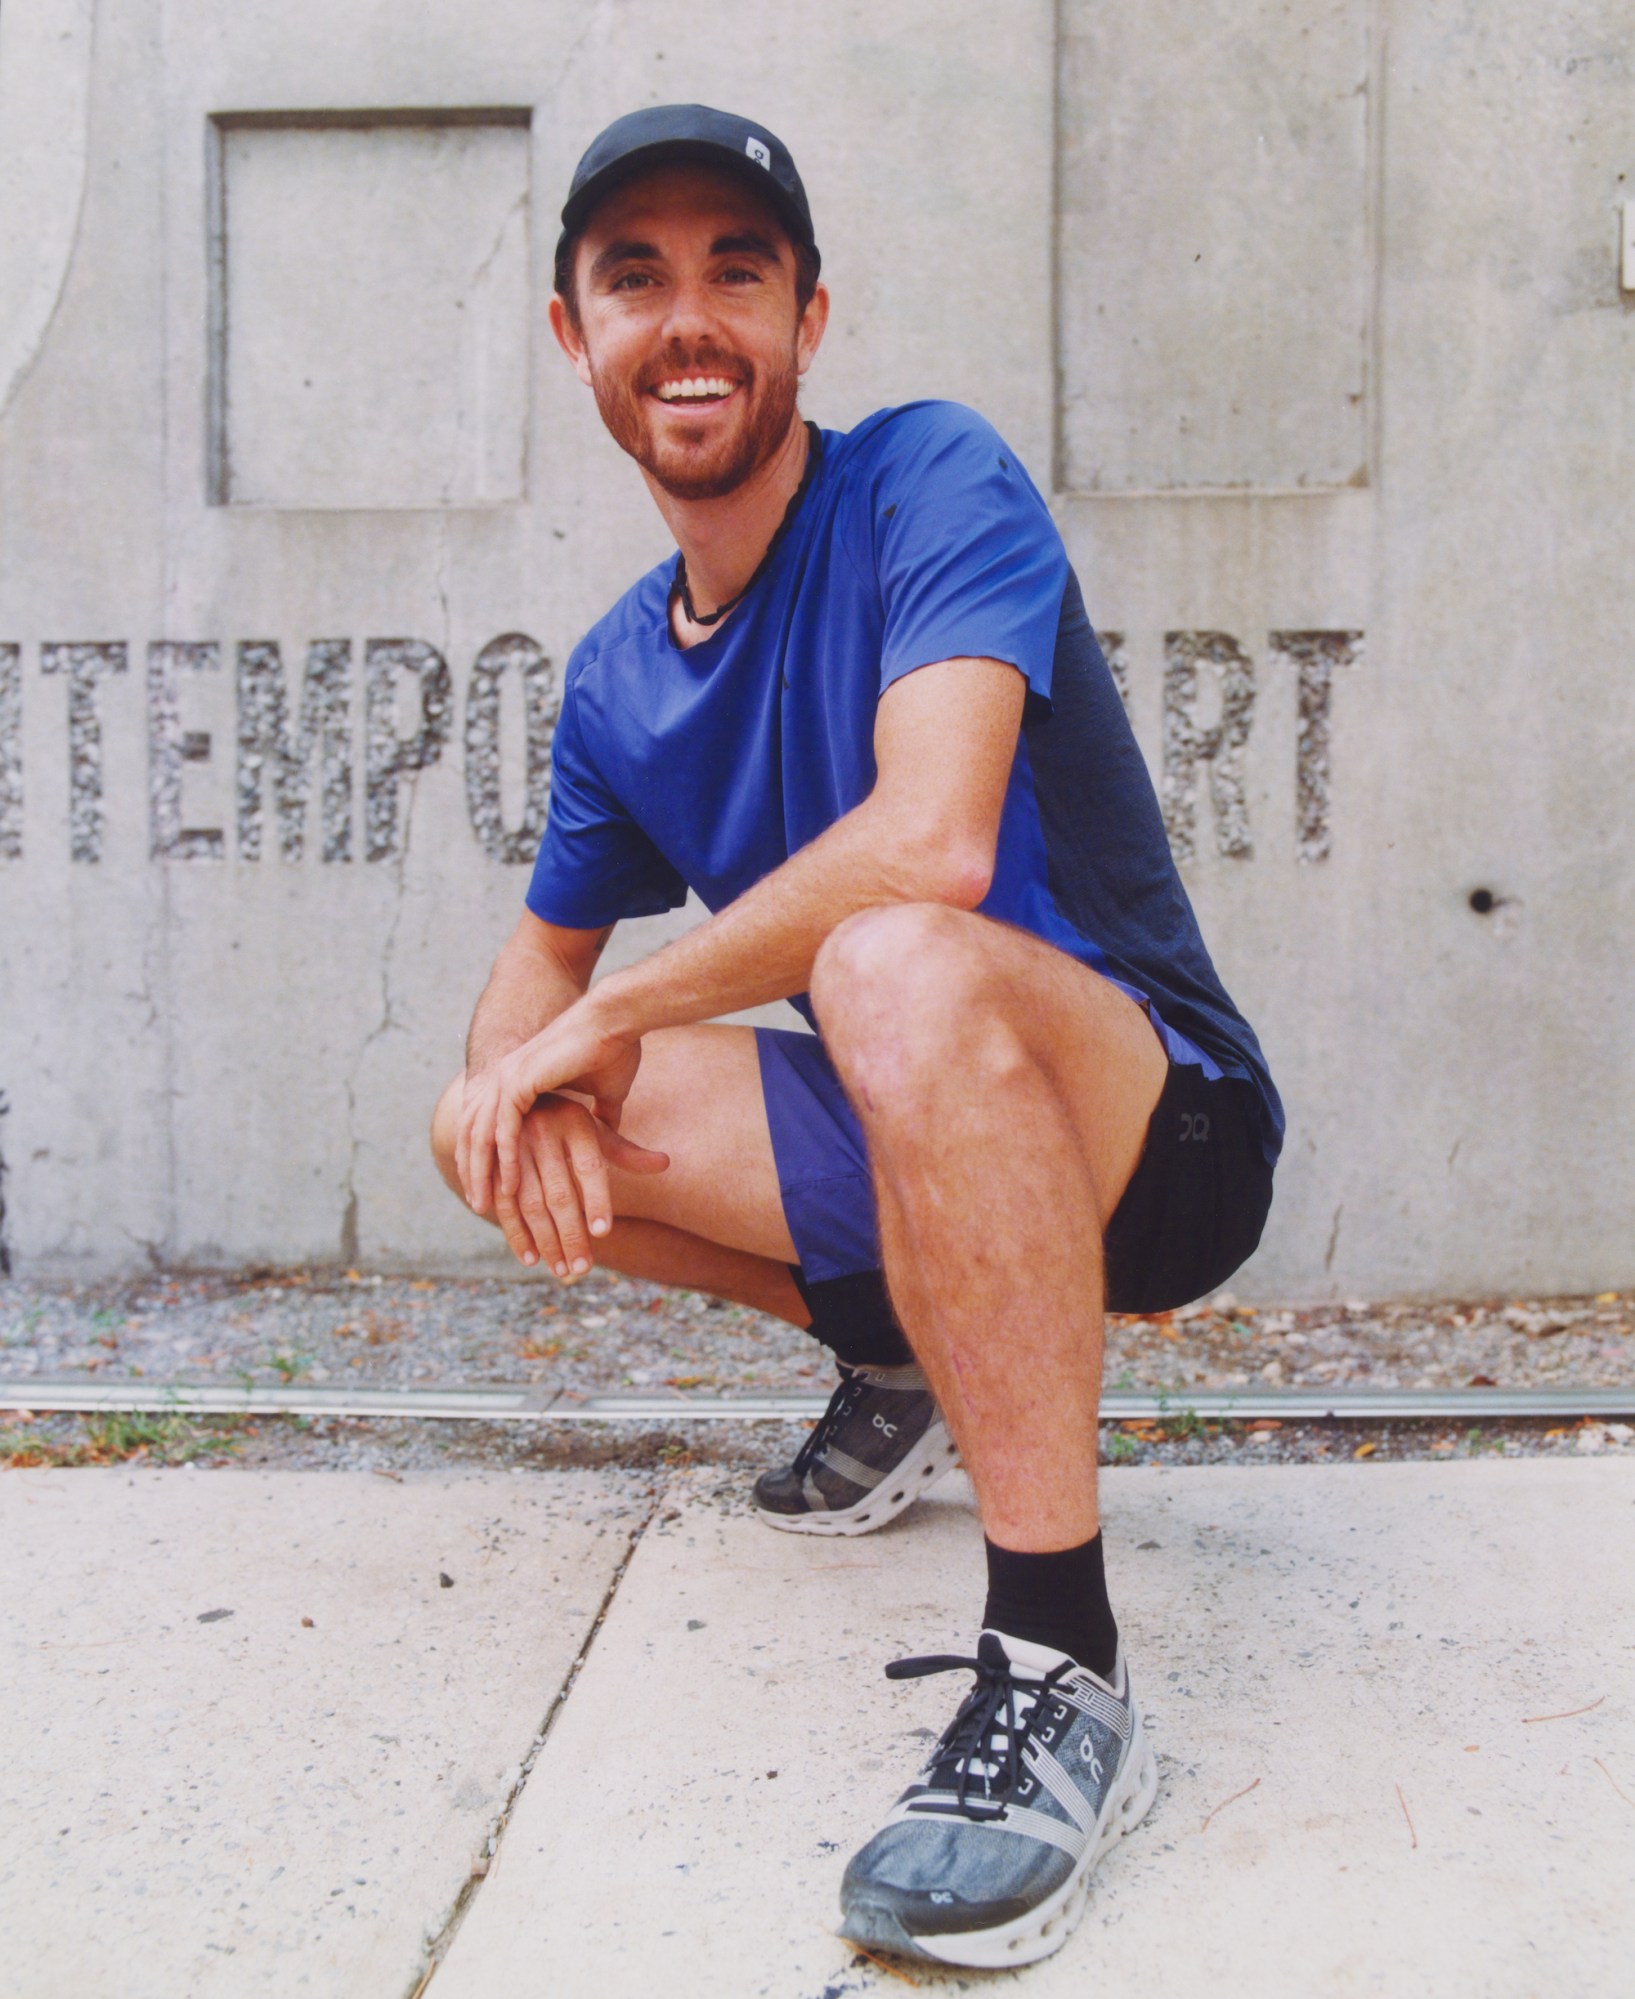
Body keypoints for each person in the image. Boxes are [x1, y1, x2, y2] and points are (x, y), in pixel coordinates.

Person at [431, 103, 1282, 1969]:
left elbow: (937, 837)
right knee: (487, 1123)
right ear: (574, 335)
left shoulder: (925, 480)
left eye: (739, 268)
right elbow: (529, 975)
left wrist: (617, 1016)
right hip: (910, 1125)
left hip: (1156, 1128)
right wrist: (514, 1083)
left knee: (895, 953)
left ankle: (1058, 1659)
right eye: (635, 276)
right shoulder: (618, 675)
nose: (692, 316)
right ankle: (902, 1352)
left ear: (812, 315)